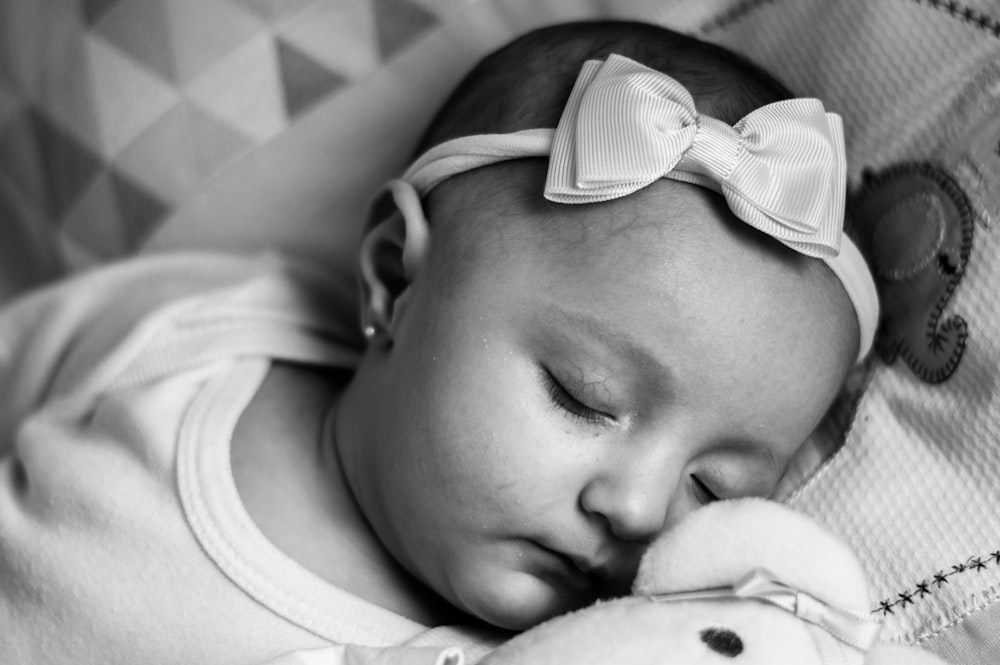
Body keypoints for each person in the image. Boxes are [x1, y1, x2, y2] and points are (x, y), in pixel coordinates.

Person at [0, 20, 877, 665]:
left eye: (712, 486)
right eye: (582, 394)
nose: (641, 509)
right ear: (395, 274)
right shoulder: (202, 337)